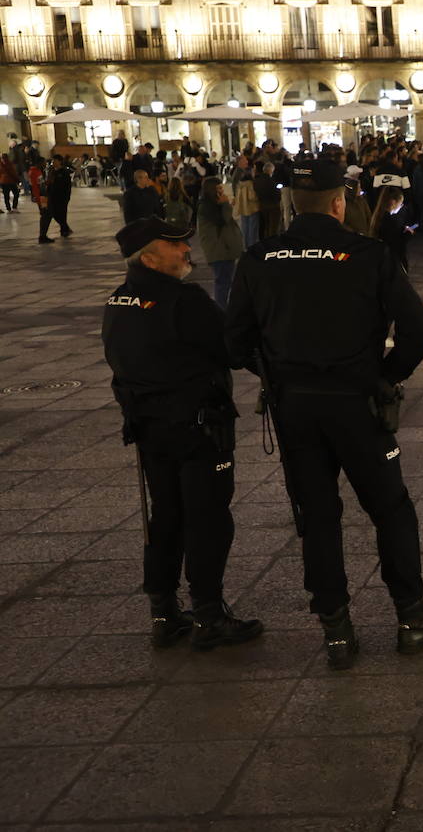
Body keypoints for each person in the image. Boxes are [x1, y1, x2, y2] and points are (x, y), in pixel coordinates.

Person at [224, 159, 423, 671]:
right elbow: (418, 330)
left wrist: (276, 373)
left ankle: (337, 633)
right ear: (338, 201)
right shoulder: (367, 254)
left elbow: (234, 341)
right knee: (390, 508)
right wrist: (385, 375)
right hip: (357, 402)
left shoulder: (259, 258)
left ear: (291, 203)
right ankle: (411, 620)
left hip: (295, 406)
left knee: (317, 516)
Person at [102, 217, 262, 650]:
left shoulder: (119, 300)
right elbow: (231, 347)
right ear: (149, 258)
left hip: (151, 432)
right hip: (198, 431)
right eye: (174, 245)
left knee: (166, 516)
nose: (185, 249)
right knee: (208, 518)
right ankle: (208, 613)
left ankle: (163, 611)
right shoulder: (184, 301)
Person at [197, 177, 244, 309]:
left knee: (227, 281)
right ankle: (221, 309)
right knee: (223, 282)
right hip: (219, 249)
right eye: (218, 188)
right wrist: (225, 204)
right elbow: (223, 220)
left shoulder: (212, 204)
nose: (221, 191)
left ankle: (224, 307)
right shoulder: (206, 206)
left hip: (225, 248)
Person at [369, 179, 416, 272]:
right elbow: (396, 243)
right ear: (393, 202)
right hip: (392, 262)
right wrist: (408, 233)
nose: (401, 206)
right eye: (400, 203)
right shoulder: (388, 220)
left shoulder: (379, 215)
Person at [38, 154, 74, 242]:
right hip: (52, 196)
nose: (53, 163)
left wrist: (66, 196)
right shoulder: (52, 171)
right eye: (52, 161)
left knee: (61, 213)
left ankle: (64, 230)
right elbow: (49, 183)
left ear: (60, 161)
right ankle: (65, 228)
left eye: (55, 161)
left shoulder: (64, 172)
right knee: (54, 213)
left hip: (62, 196)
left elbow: (66, 186)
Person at [232, 161, 262, 248]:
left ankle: (245, 246)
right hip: (252, 209)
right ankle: (252, 247)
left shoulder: (240, 184)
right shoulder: (250, 184)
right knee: (252, 229)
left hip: (242, 209)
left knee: (245, 229)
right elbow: (252, 197)